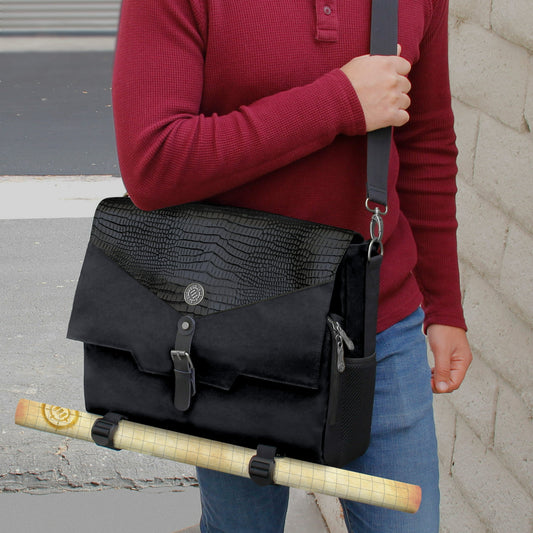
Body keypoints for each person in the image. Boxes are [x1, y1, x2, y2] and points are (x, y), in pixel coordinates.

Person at [112, 0, 473, 531]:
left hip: (379, 325)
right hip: (234, 325)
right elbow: (154, 162)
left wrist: (443, 305)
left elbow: (426, 143)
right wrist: (338, 102)